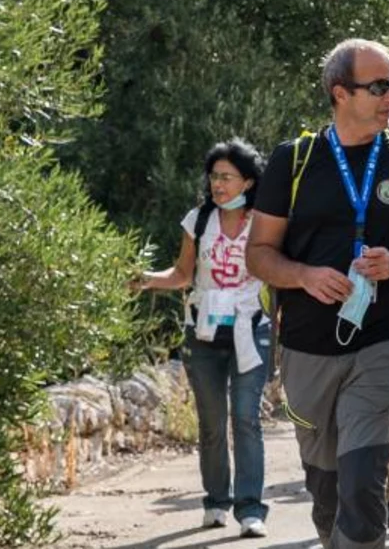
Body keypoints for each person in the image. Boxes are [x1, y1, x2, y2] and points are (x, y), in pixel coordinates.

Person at [247, 40, 389, 549]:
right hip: (306, 346)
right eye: (378, 87)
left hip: (384, 338)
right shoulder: (293, 161)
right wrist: (303, 276)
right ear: (341, 93)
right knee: (328, 494)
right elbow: (259, 254)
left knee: (363, 484)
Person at [130, 141, 279, 537]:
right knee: (212, 423)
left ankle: (251, 509)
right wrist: (144, 280)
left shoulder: (265, 222)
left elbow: (280, 270)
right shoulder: (198, 220)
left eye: (226, 177)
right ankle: (216, 502)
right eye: (214, 176)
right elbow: (182, 274)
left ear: (248, 182)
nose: (218, 184)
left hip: (251, 330)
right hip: (204, 332)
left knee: (246, 419)